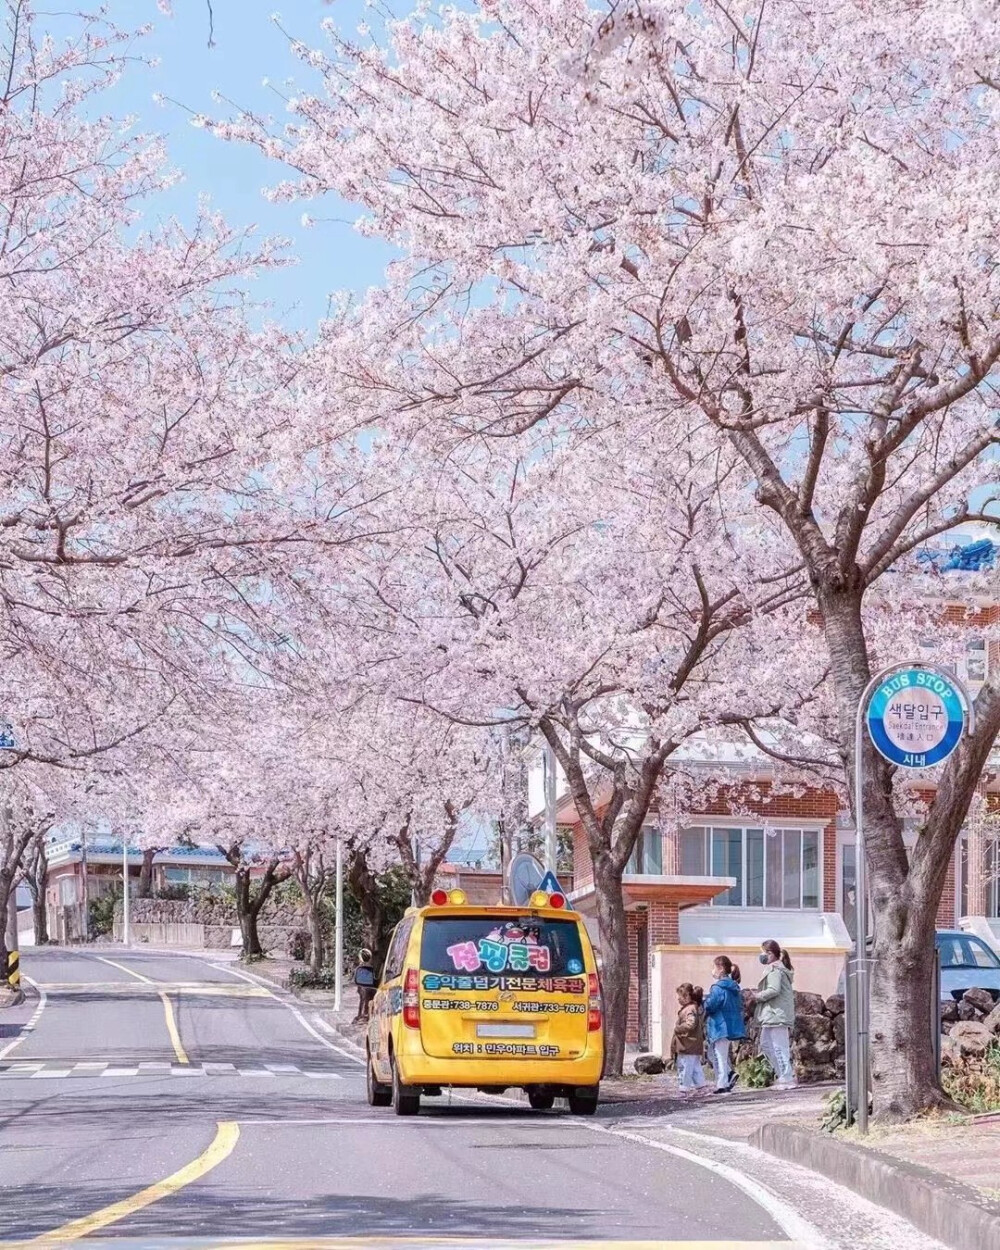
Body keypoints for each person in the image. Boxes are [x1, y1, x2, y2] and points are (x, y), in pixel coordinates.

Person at [752, 939, 796, 1089]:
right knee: (766, 1044)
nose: (761, 955)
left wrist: (757, 996)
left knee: (779, 1046)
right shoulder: (775, 968)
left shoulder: (775, 970)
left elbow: (774, 989)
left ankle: (787, 1077)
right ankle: (782, 1074)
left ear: (770, 953)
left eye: (763, 952)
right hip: (773, 1013)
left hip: (777, 1013)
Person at [702, 954, 745, 1094]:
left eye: (714, 967)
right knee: (721, 1053)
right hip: (730, 1024)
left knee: (718, 1054)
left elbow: (712, 1005)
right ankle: (729, 1074)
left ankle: (722, 1083)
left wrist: (704, 1003)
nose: (712, 970)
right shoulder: (734, 987)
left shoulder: (717, 988)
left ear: (720, 968)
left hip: (719, 1024)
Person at [669, 982, 706, 1095]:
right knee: (695, 1068)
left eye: (679, 996)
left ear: (686, 997)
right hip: (693, 1045)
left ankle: (684, 1088)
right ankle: (701, 1086)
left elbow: (690, 1024)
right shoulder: (693, 1008)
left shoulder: (689, 1010)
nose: (678, 999)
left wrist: (678, 1029)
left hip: (687, 1045)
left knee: (685, 1067)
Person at [353, 948, 376, 1021]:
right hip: (371, 988)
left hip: (364, 988)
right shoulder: (372, 967)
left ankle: (362, 1014)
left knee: (363, 1000)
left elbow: (356, 979)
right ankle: (363, 1014)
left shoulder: (360, 968)